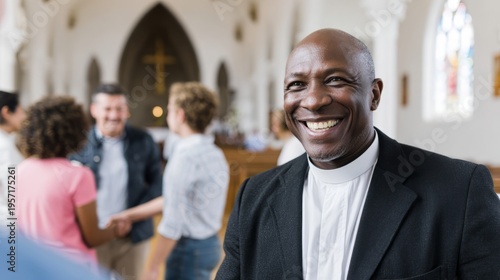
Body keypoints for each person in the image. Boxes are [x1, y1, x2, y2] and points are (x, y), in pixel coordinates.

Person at [216, 28, 500, 279]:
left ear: (374, 94)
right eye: (297, 85)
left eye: (335, 79)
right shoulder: (253, 198)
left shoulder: (458, 192)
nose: (313, 101)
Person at [109, 82, 229, 280]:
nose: (167, 115)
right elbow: (173, 201)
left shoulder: (184, 157)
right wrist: (129, 215)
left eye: (170, 110)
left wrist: (153, 267)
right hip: (210, 243)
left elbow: (172, 223)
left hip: (188, 249)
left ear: (180, 115)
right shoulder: (214, 152)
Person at [16, 96, 129, 269]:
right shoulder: (78, 176)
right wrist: (116, 229)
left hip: (34, 266)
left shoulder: (17, 172)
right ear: (75, 131)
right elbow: (92, 237)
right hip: (71, 267)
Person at [70, 84, 163, 279]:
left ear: (127, 111)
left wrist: (131, 217)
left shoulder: (143, 140)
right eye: (108, 109)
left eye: (119, 109)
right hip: (93, 233)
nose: (114, 115)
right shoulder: (78, 143)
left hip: (133, 235)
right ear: (94, 110)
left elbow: (157, 184)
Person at [0, 91, 25, 227]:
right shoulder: (4, 148)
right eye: (21, 111)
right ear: (6, 112)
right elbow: (12, 193)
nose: (24, 117)